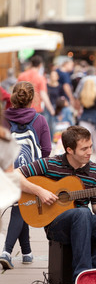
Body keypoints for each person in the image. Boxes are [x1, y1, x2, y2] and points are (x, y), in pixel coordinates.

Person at [16, 126, 96, 284]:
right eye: (84, 149)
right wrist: (39, 191)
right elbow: (14, 175)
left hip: (84, 224)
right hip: (57, 226)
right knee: (83, 212)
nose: (90, 152)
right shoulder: (50, 164)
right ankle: (81, 275)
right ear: (69, 150)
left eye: (91, 146)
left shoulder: (95, 171)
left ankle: (92, 273)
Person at [0, 82, 51, 270]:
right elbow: (46, 149)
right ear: (32, 99)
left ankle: (27, 252)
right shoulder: (39, 120)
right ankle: (6, 251)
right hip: (31, 171)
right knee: (21, 206)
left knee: (19, 206)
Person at [78, 79, 96, 163]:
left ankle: (83, 156)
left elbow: (80, 110)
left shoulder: (82, 96)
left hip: (84, 119)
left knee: (84, 140)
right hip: (95, 119)